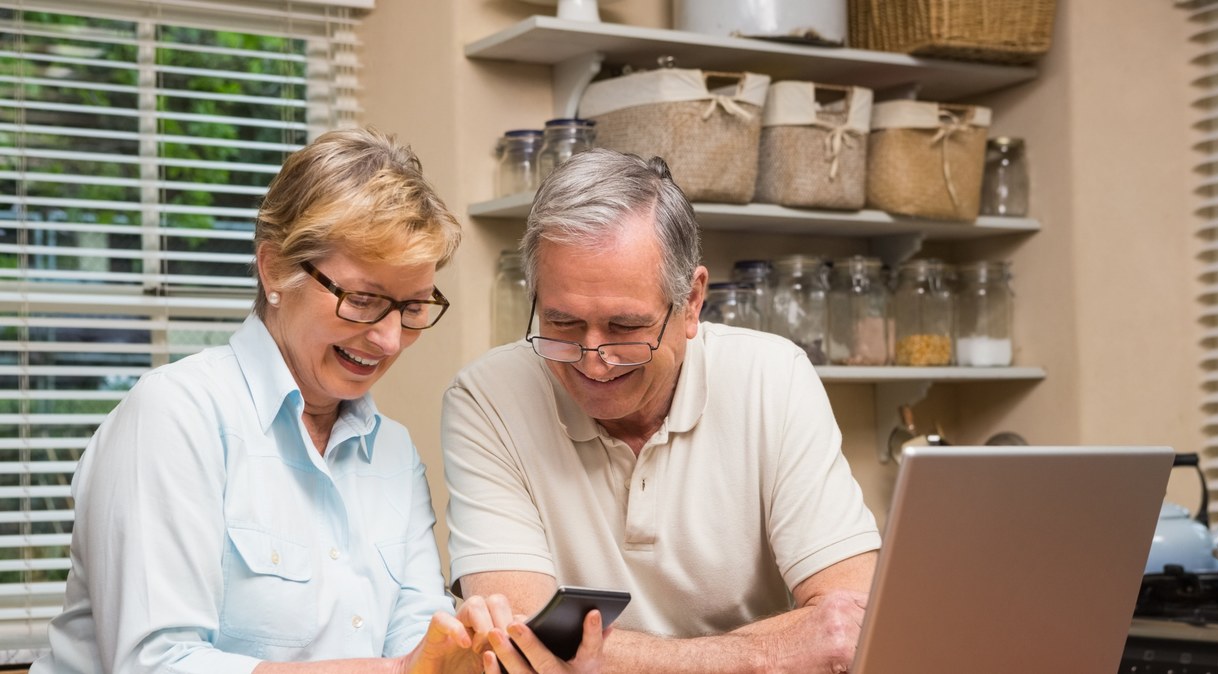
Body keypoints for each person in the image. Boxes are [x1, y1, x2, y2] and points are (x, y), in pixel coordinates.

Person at [31, 128, 605, 674]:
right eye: (361, 300)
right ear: (276, 267)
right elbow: (153, 665)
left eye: (411, 309)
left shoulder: (393, 453)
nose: (387, 340)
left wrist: (464, 654)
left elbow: (413, 645)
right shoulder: (175, 417)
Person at [442, 148, 883, 673]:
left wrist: (598, 659)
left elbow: (849, 626)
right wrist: (765, 653)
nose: (595, 359)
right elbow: (518, 640)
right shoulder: (487, 396)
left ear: (692, 301)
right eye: (562, 324)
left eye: (626, 328)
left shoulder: (773, 376)